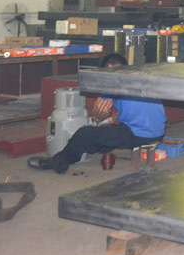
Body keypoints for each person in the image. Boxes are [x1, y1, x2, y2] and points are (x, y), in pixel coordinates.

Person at [28, 53, 166, 174]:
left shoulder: (112, 84)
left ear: (108, 70)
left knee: (84, 133)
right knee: (105, 135)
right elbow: (133, 115)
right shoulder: (141, 80)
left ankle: (57, 163)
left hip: (139, 135)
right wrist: (107, 122)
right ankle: (93, 147)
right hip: (158, 133)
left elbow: (99, 114)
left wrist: (98, 120)